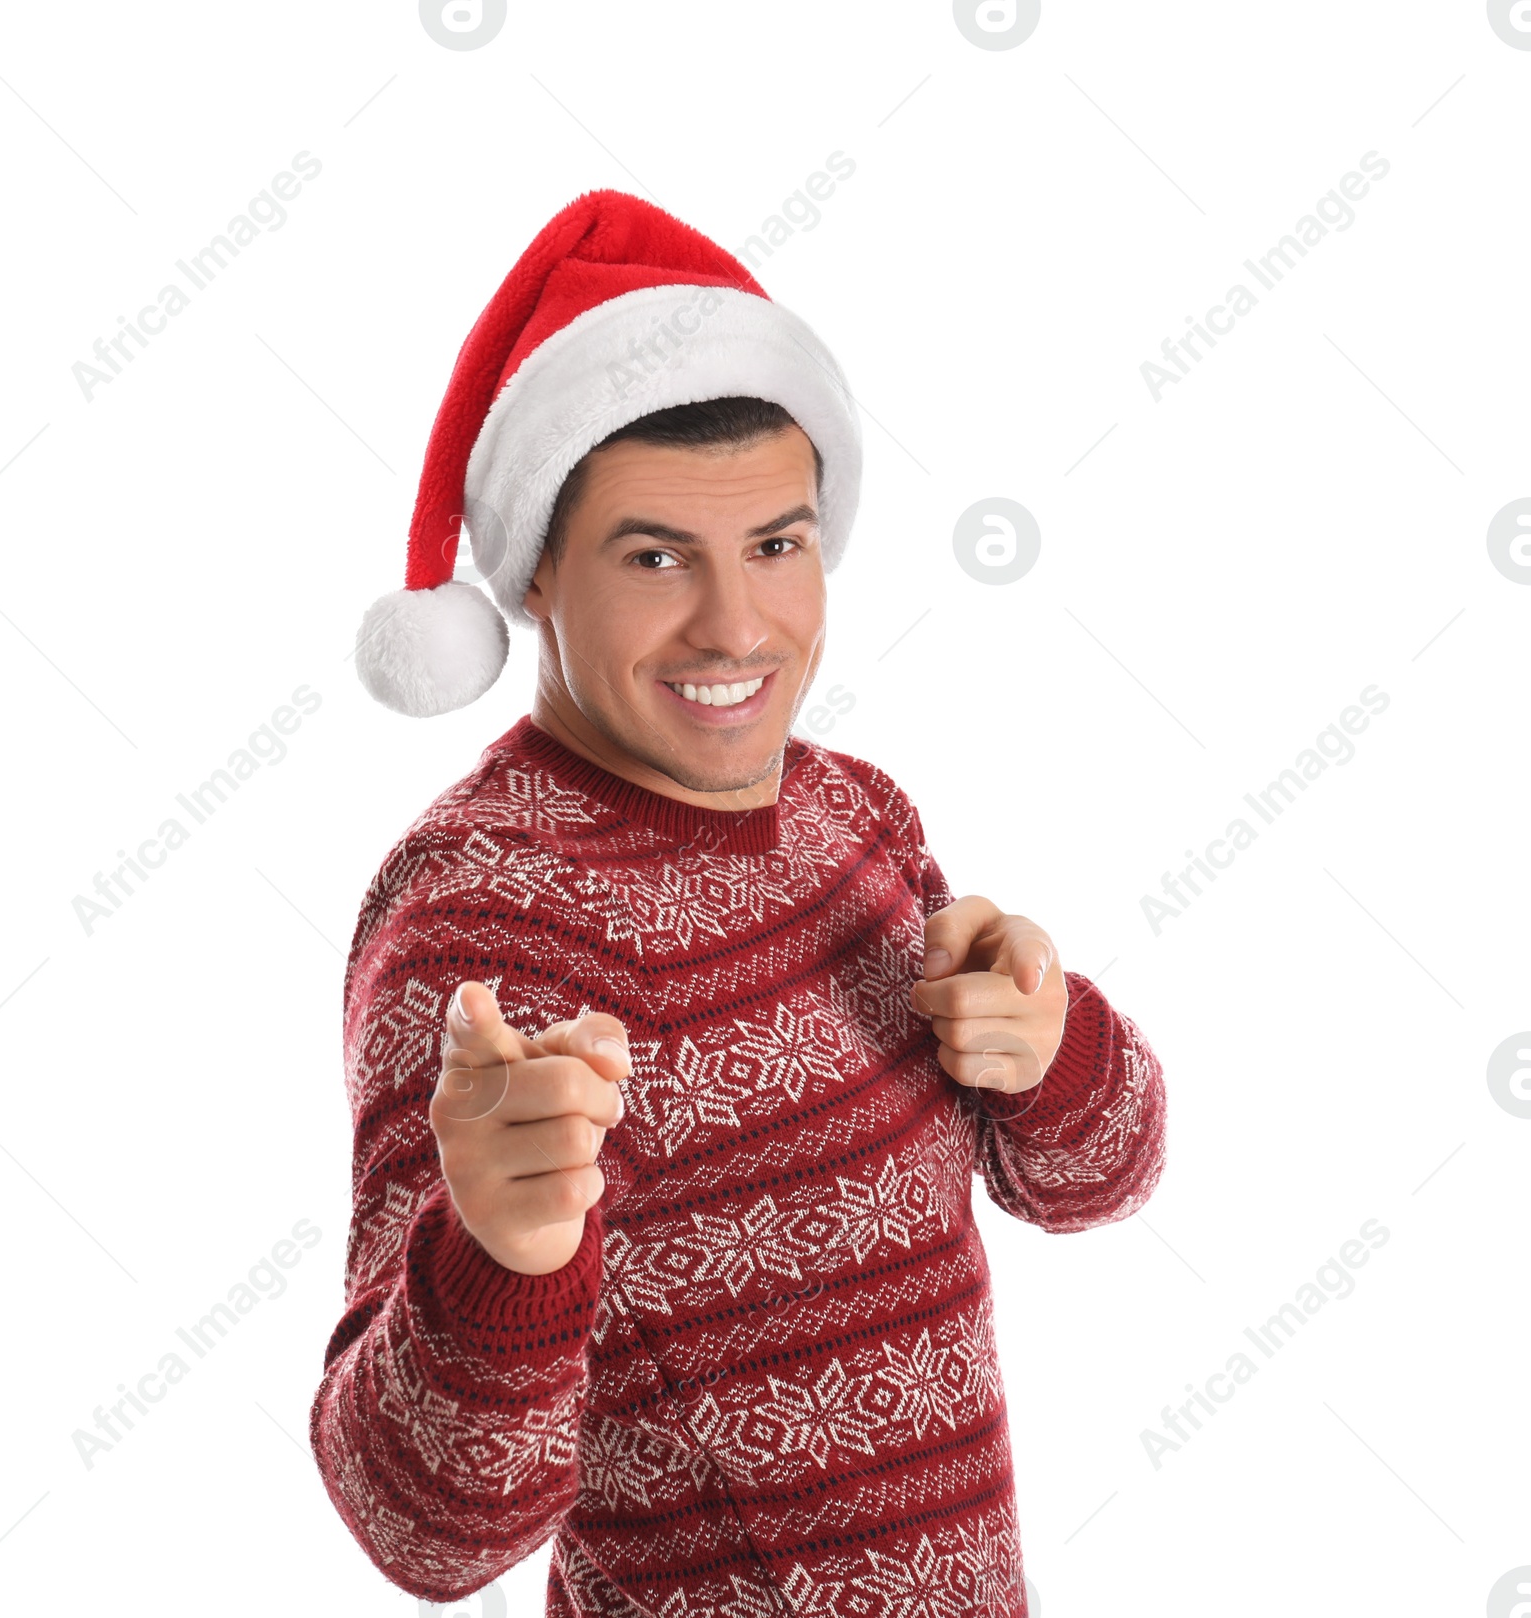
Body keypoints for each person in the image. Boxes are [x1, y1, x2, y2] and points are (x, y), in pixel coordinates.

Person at [311, 189, 1168, 1617]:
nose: (735, 627)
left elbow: (1099, 1177)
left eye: (776, 545)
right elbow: (425, 1534)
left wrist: (1054, 1044)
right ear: (531, 570)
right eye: (656, 558)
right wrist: (501, 1258)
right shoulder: (483, 920)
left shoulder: (856, 814)